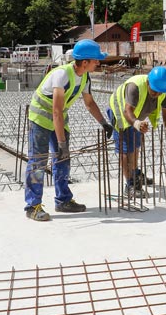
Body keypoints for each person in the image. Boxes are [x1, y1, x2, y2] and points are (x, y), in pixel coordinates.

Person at [24, 39, 113, 221]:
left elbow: (89, 103)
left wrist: (104, 123)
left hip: (59, 120)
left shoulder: (85, 77)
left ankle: (63, 200)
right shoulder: (62, 75)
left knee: (63, 161)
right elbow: (56, 111)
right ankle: (32, 206)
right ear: (85, 62)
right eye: (96, 60)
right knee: (38, 162)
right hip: (40, 119)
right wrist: (62, 143)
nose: (98, 62)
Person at [107, 66, 166, 200]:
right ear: (148, 82)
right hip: (120, 111)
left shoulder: (165, 89)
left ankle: (135, 173)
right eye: (155, 92)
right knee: (126, 148)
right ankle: (130, 185)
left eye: (160, 92)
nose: (158, 95)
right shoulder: (134, 86)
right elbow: (127, 111)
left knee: (136, 144)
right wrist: (137, 124)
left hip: (137, 114)